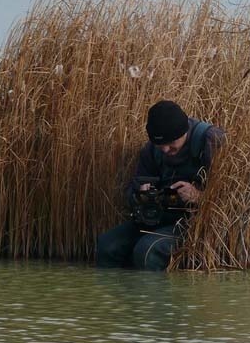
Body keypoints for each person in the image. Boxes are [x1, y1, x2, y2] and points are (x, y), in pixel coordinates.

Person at [96, 100, 224, 270]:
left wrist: (200, 197)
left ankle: (155, 296)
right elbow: (132, 190)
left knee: (148, 250)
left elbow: (232, 195)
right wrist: (140, 195)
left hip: (194, 224)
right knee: (107, 245)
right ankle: (118, 295)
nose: (164, 150)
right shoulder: (152, 150)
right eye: (160, 145)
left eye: (170, 144)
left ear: (183, 132)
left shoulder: (211, 141)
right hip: (158, 219)